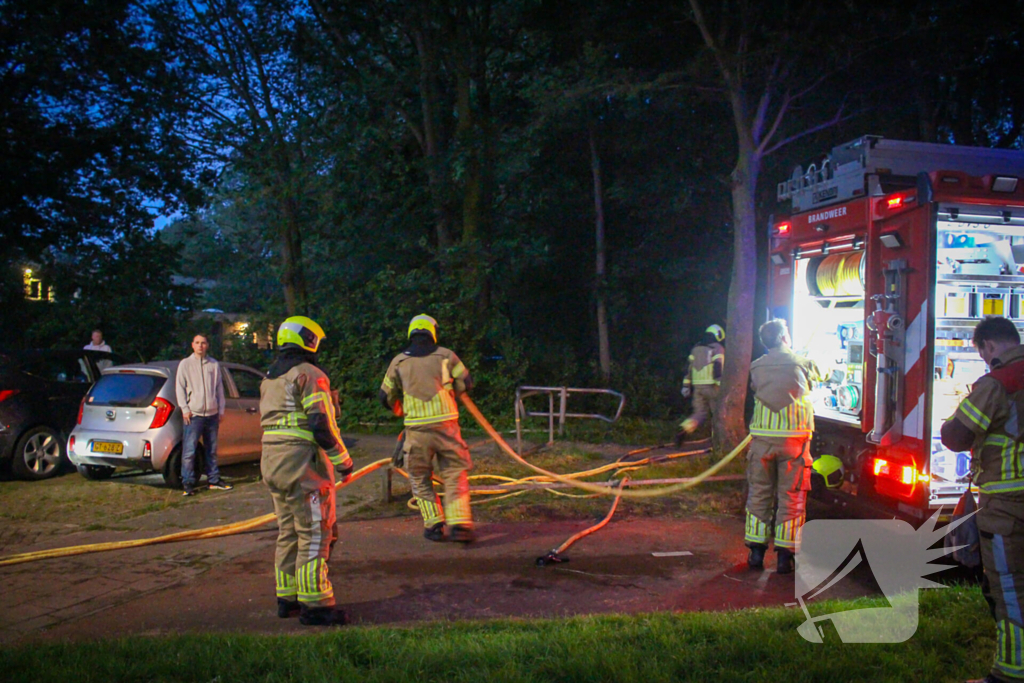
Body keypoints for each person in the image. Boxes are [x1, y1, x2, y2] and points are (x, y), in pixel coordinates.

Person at [940, 316, 1024, 683]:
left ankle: (1009, 674)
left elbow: (956, 436)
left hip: (1007, 506)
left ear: (989, 347)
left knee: (1009, 589)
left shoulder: (997, 384)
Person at [260, 316, 352, 626]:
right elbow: (320, 425)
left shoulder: (270, 378)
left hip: (272, 463)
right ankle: (316, 606)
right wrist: (344, 462)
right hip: (301, 465)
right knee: (315, 532)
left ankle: (288, 598)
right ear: (309, 341)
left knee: (288, 531)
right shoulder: (309, 374)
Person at [379, 314, 476, 543]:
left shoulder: (399, 361)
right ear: (433, 332)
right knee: (454, 473)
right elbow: (466, 382)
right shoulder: (447, 356)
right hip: (447, 428)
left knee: (420, 477)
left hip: (417, 431)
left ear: (411, 333)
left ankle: (433, 524)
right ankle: (460, 523)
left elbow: (384, 395)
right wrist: (455, 391)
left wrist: (398, 407)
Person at [744, 318, 821, 575]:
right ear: (785, 337)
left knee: (759, 495)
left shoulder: (755, 366)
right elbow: (823, 374)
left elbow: (760, 388)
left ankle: (755, 553)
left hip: (762, 444)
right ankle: (784, 558)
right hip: (794, 445)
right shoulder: (801, 363)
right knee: (791, 498)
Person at [175, 334, 232, 496]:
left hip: (212, 413)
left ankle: (213, 480)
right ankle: (188, 482)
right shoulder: (185, 364)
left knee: (212, 449)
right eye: (197, 343)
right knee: (189, 450)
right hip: (194, 414)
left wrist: (220, 410)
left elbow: (219, 388)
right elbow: (180, 387)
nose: (200, 346)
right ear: (192, 345)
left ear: (207, 345)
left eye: (203, 343)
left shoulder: (213, 364)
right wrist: (185, 409)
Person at [676, 324, 725, 446]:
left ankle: (684, 429)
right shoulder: (717, 348)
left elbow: (688, 369)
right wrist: (721, 385)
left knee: (700, 413)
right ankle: (718, 442)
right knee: (718, 413)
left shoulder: (695, 348)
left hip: (697, 387)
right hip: (712, 387)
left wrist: (686, 386)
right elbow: (718, 367)